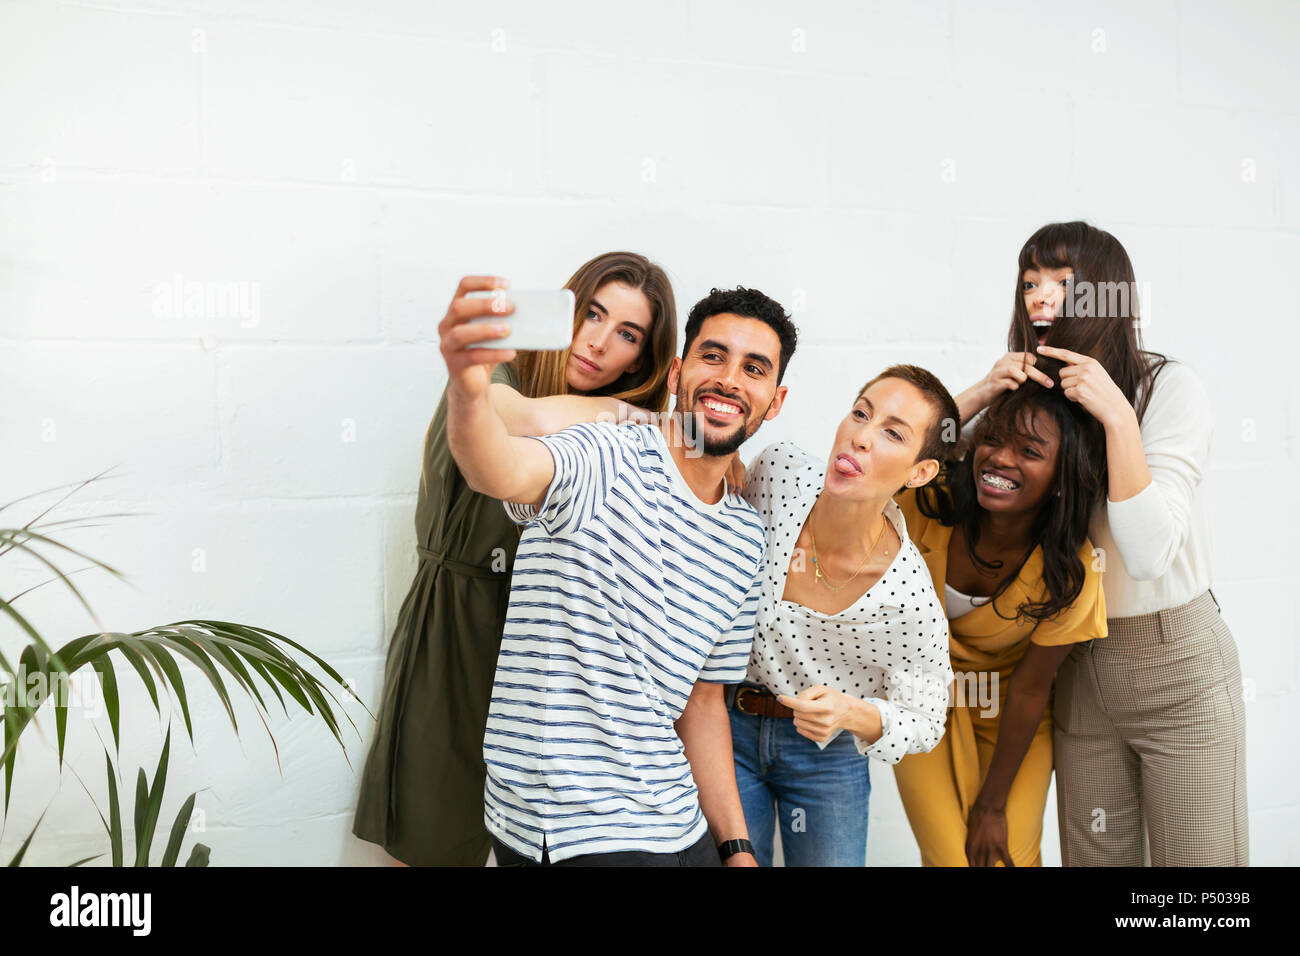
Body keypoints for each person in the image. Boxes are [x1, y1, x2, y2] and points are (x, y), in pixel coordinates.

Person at [442, 285, 797, 866]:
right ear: (679, 370)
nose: (730, 379)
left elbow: (703, 703)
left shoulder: (745, 536)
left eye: (753, 368)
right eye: (714, 356)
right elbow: (497, 467)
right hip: (573, 828)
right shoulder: (605, 455)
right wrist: (468, 387)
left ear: (774, 401)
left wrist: (736, 847)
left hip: (679, 822)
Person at [352, 252, 679, 867]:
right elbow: (519, 422)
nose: (599, 342)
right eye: (592, 315)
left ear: (643, 356)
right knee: (433, 839)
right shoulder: (495, 381)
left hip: (552, 656)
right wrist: (644, 415)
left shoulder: (609, 444)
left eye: (627, 334)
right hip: (459, 632)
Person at [955, 220, 1248, 866]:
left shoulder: (1169, 390)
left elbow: (1147, 553)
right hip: (1077, 664)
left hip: (1178, 667)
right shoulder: (1028, 404)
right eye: (1029, 282)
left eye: (1061, 283)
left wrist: (1117, 414)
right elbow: (905, 473)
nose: (1038, 296)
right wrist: (978, 393)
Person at [728, 365, 958, 867]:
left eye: (892, 433)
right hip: (727, 727)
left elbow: (927, 718)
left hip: (826, 758)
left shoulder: (909, 599)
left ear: (919, 473)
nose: (861, 437)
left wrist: (851, 713)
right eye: (860, 413)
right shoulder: (779, 474)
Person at [893, 373, 1108, 866]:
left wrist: (992, 806)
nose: (1002, 459)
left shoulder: (1070, 569)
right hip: (917, 698)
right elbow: (883, 468)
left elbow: (1032, 690)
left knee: (1007, 855)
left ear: (1060, 478)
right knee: (950, 859)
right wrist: (980, 394)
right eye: (992, 439)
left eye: (1030, 452)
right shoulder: (928, 504)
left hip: (1010, 712)